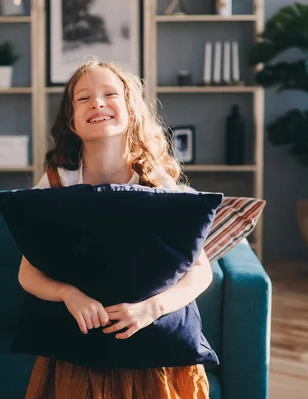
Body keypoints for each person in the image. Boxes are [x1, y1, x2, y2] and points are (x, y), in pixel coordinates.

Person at [18, 59, 213, 398]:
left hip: (154, 347)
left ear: (131, 111)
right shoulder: (54, 184)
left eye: (110, 94)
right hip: (75, 352)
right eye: (83, 98)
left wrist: (152, 308)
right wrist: (69, 294)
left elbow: (201, 272)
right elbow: (27, 273)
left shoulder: (159, 185)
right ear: (72, 120)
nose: (97, 102)